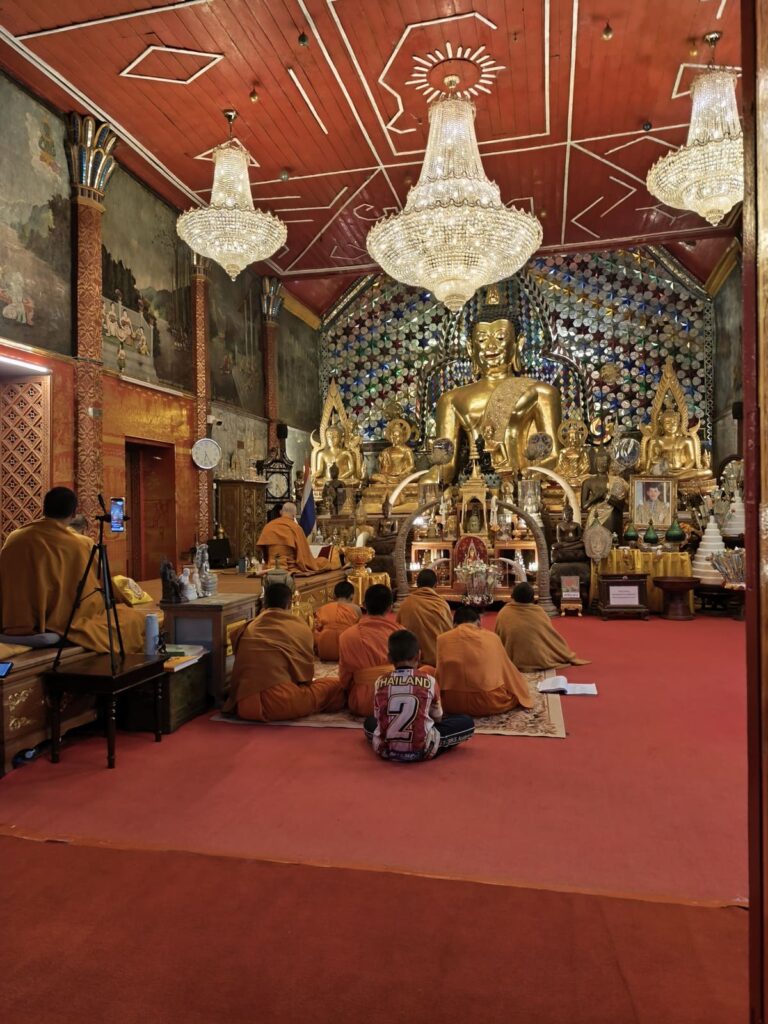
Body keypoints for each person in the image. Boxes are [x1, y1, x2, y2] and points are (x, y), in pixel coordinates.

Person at [0, 486, 145, 653]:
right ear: (73, 513)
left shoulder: (14, 538)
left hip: (10, 622)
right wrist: (122, 601)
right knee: (132, 618)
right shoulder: (80, 544)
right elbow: (98, 590)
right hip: (55, 625)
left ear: (44, 508)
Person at [223, 583, 345, 721]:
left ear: (265, 603)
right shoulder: (299, 627)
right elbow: (305, 676)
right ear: (289, 604)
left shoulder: (249, 626)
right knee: (334, 687)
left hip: (243, 703)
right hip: (280, 702)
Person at [363, 629, 474, 762]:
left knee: (369, 722)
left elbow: (378, 716)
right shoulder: (429, 680)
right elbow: (437, 718)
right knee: (467, 722)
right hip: (423, 751)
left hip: (385, 751)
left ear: (389, 658)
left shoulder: (380, 681)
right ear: (418, 656)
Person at [436, 606, 534, 716]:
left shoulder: (442, 639)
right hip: (490, 703)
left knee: (427, 670)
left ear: (454, 625)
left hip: (452, 704)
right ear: (478, 623)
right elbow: (508, 671)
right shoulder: (492, 637)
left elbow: (440, 676)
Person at [495, 582, 589, 672]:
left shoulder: (504, 613)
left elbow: (498, 638)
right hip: (539, 658)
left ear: (513, 596)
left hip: (513, 660)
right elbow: (550, 637)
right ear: (532, 598)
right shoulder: (538, 611)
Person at [338, 583, 399, 716]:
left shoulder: (347, 635)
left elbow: (344, 678)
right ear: (390, 607)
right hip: (396, 698)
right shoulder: (400, 633)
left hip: (361, 702)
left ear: (364, 605)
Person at [256, 501, 338, 574]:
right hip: (290, 567)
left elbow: (264, 551)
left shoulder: (269, 526)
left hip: (271, 565)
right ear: (294, 514)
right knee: (323, 562)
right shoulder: (296, 528)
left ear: (281, 512)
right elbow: (303, 554)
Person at [395, 568, 452, 666]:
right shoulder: (442, 605)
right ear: (435, 585)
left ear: (417, 584)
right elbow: (449, 633)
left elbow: (399, 631)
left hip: (412, 663)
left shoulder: (407, 604)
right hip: (438, 662)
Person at [313, 580, 361, 661]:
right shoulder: (356, 609)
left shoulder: (323, 608)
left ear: (334, 595)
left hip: (324, 651)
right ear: (352, 596)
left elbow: (317, 627)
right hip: (346, 652)